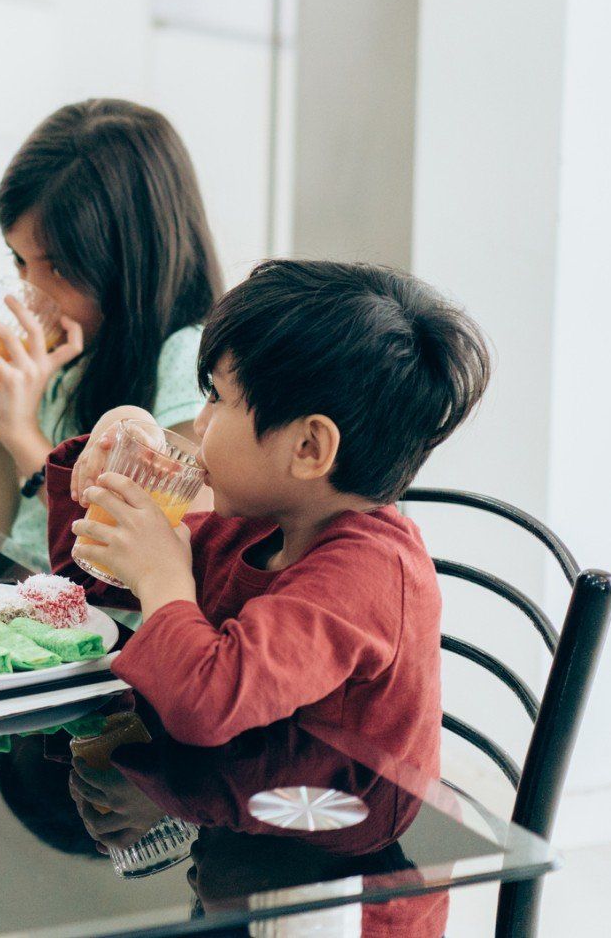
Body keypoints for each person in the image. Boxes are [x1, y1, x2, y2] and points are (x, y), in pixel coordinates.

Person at [45, 259, 491, 768]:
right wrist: (112, 445)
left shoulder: (367, 578)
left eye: (218, 397)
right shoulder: (259, 526)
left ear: (307, 446)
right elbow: (84, 573)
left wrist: (161, 577)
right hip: (239, 806)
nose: (199, 419)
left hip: (327, 838)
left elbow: (204, 706)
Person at [0, 100, 222, 596]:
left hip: (103, 623)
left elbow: (145, 559)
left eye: (58, 268)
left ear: (131, 262)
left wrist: (23, 435)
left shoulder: (184, 364)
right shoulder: (69, 350)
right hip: (23, 593)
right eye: (18, 262)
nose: (32, 289)